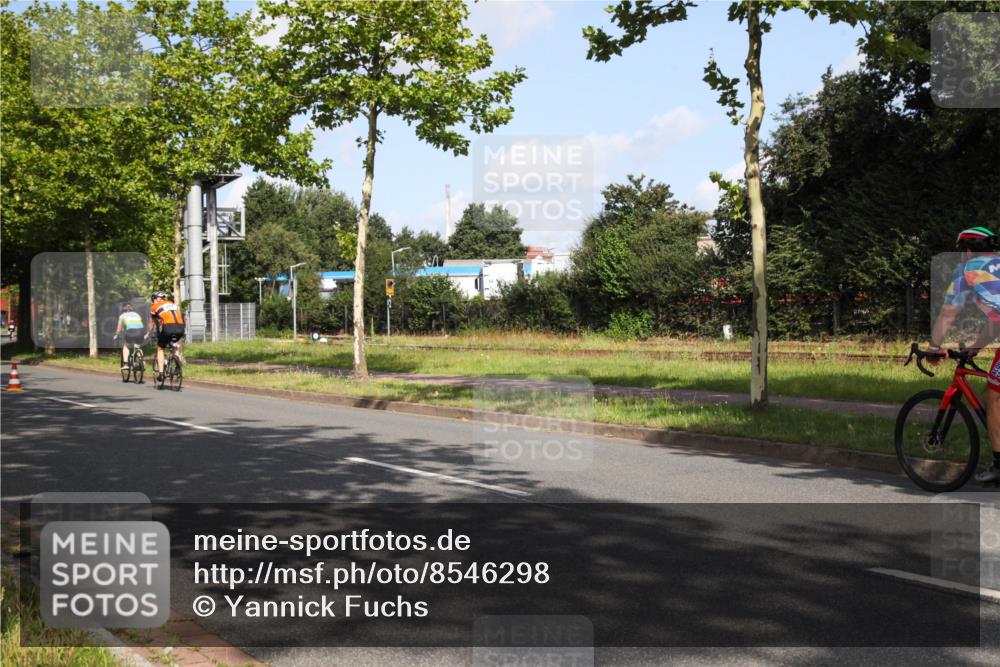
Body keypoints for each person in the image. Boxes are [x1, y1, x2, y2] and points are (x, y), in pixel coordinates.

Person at [927, 226, 1000, 484]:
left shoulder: (967, 271)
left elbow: (948, 314)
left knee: (994, 398)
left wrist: (934, 347)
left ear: (968, 250)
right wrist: (976, 347)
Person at [147, 291, 186, 381]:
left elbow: (152, 323)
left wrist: (149, 333)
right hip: (180, 328)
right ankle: (177, 364)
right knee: (174, 344)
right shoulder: (172, 304)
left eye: (153, 299)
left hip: (168, 327)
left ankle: (161, 374)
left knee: (160, 348)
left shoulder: (154, 307)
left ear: (155, 299)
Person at [114, 303, 146, 368]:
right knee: (138, 347)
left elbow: (119, 327)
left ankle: (125, 364)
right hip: (141, 331)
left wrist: (116, 335)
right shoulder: (137, 314)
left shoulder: (122, 316)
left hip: (131, 331)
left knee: (126, 346)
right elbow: (140, 323)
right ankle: (142, 360)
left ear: (123, 310)